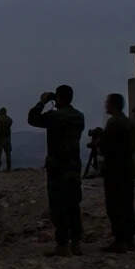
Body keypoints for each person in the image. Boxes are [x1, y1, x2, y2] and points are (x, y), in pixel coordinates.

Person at [28, 85, 86, 256]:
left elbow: (32, 119)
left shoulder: (55, 116)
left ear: (58, 98)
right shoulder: (78, 116)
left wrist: (42, 102)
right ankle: (76, 243)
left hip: (58, 167)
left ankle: (63, 245)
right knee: (74, 205)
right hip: (74, 166)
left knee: (58, 206)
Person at [99, 93, 135, 252]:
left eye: (107, 103)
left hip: (115, 169)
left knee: (115, 204)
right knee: (127, 204)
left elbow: (106, 147)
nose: (105, 106)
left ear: (113, 105)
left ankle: (120, 240)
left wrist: (99, 140)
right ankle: (129, 239)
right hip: (128, 167)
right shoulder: (128, 122)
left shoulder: (113, 123)